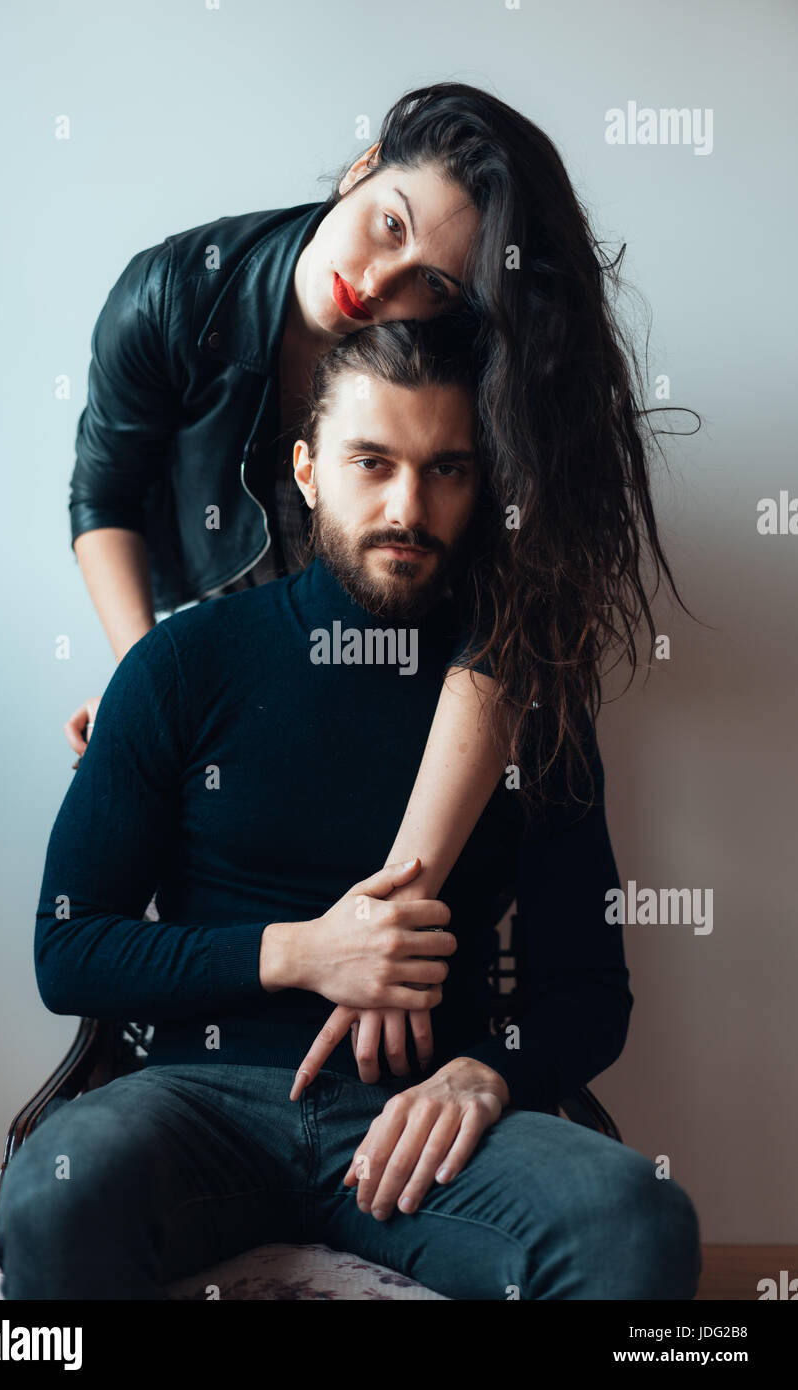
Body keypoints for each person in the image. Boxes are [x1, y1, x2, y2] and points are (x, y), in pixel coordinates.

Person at [0, 319, 701, 1300]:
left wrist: (488, 1075)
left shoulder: (525, 695)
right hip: (198, 1103)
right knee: (53, 1197)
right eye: (372, 462)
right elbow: (68, 952)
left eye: (447, 470)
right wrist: (305, 950)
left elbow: (589, 989)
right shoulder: (184, 663)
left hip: (424, 1128)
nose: (407, 507)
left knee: (634, 1220)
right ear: (307, 469)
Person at [62, 81, 690, 1092]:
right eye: (386, 224)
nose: (383, 281)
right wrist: (147, 686)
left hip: (407, 651)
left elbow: (508, 627)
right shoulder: (176, 292)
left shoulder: (462, 367)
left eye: (433, 285)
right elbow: (103, 497)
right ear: (360, 169)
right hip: (227, 644)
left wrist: (385, 931)